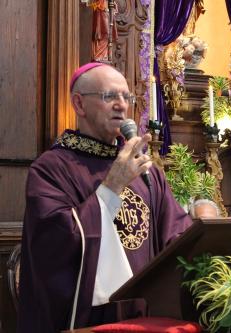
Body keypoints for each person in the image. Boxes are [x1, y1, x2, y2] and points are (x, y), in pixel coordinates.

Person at [17, 63, 193, 332]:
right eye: (110, 96)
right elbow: (55, 245)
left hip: (146, 318)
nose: (122, 105)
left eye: (127, 97)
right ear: (79, 104)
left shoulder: (146, 172)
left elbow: (176, 234)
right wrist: (112, 188)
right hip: (89, 320)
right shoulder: (51, 169)